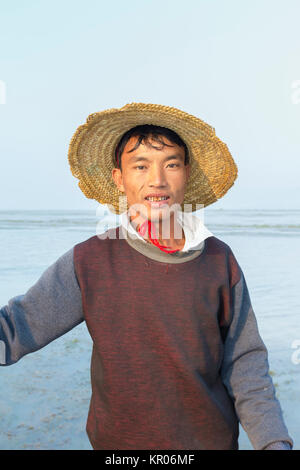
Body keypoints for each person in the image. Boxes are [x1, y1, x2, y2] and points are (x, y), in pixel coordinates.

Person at [0, 102, 294, 450]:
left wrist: (273, 441)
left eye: (171, 164)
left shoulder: (219, 259)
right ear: (119, 179)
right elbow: (16, 328)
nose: (157, 179)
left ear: (186, 173)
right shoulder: (90, 261)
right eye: (140, 166)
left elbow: (246, 362)